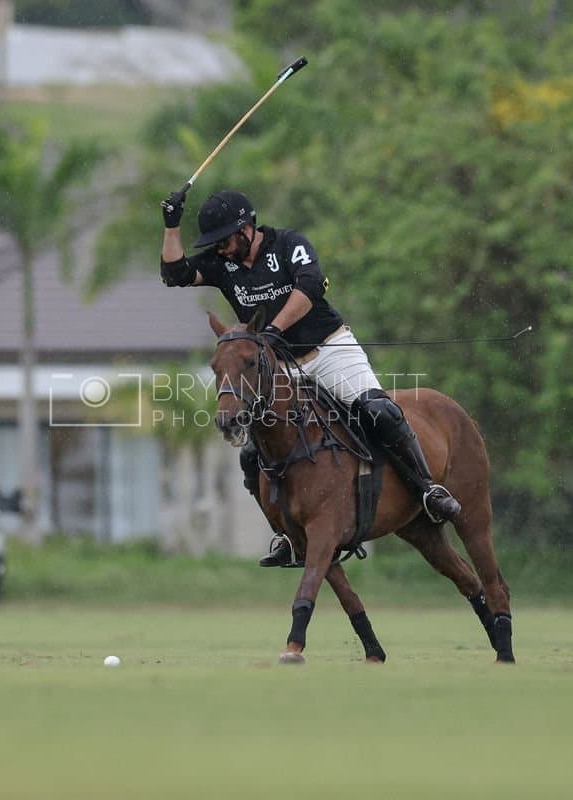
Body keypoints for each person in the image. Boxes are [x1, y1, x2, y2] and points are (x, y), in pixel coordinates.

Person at [159, 187, 461, 566]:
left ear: (246, 229)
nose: (220, 249)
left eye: (225, 240)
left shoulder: (289, 244)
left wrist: (274, 329)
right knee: (252, 453)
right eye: (215, 244)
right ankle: (287, 535)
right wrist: (172, 225)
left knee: (379, 411)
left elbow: (310, 286)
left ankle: (427, 490)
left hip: (329, 349)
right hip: (281, 366)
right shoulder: (225, 264)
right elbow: (175, 273)